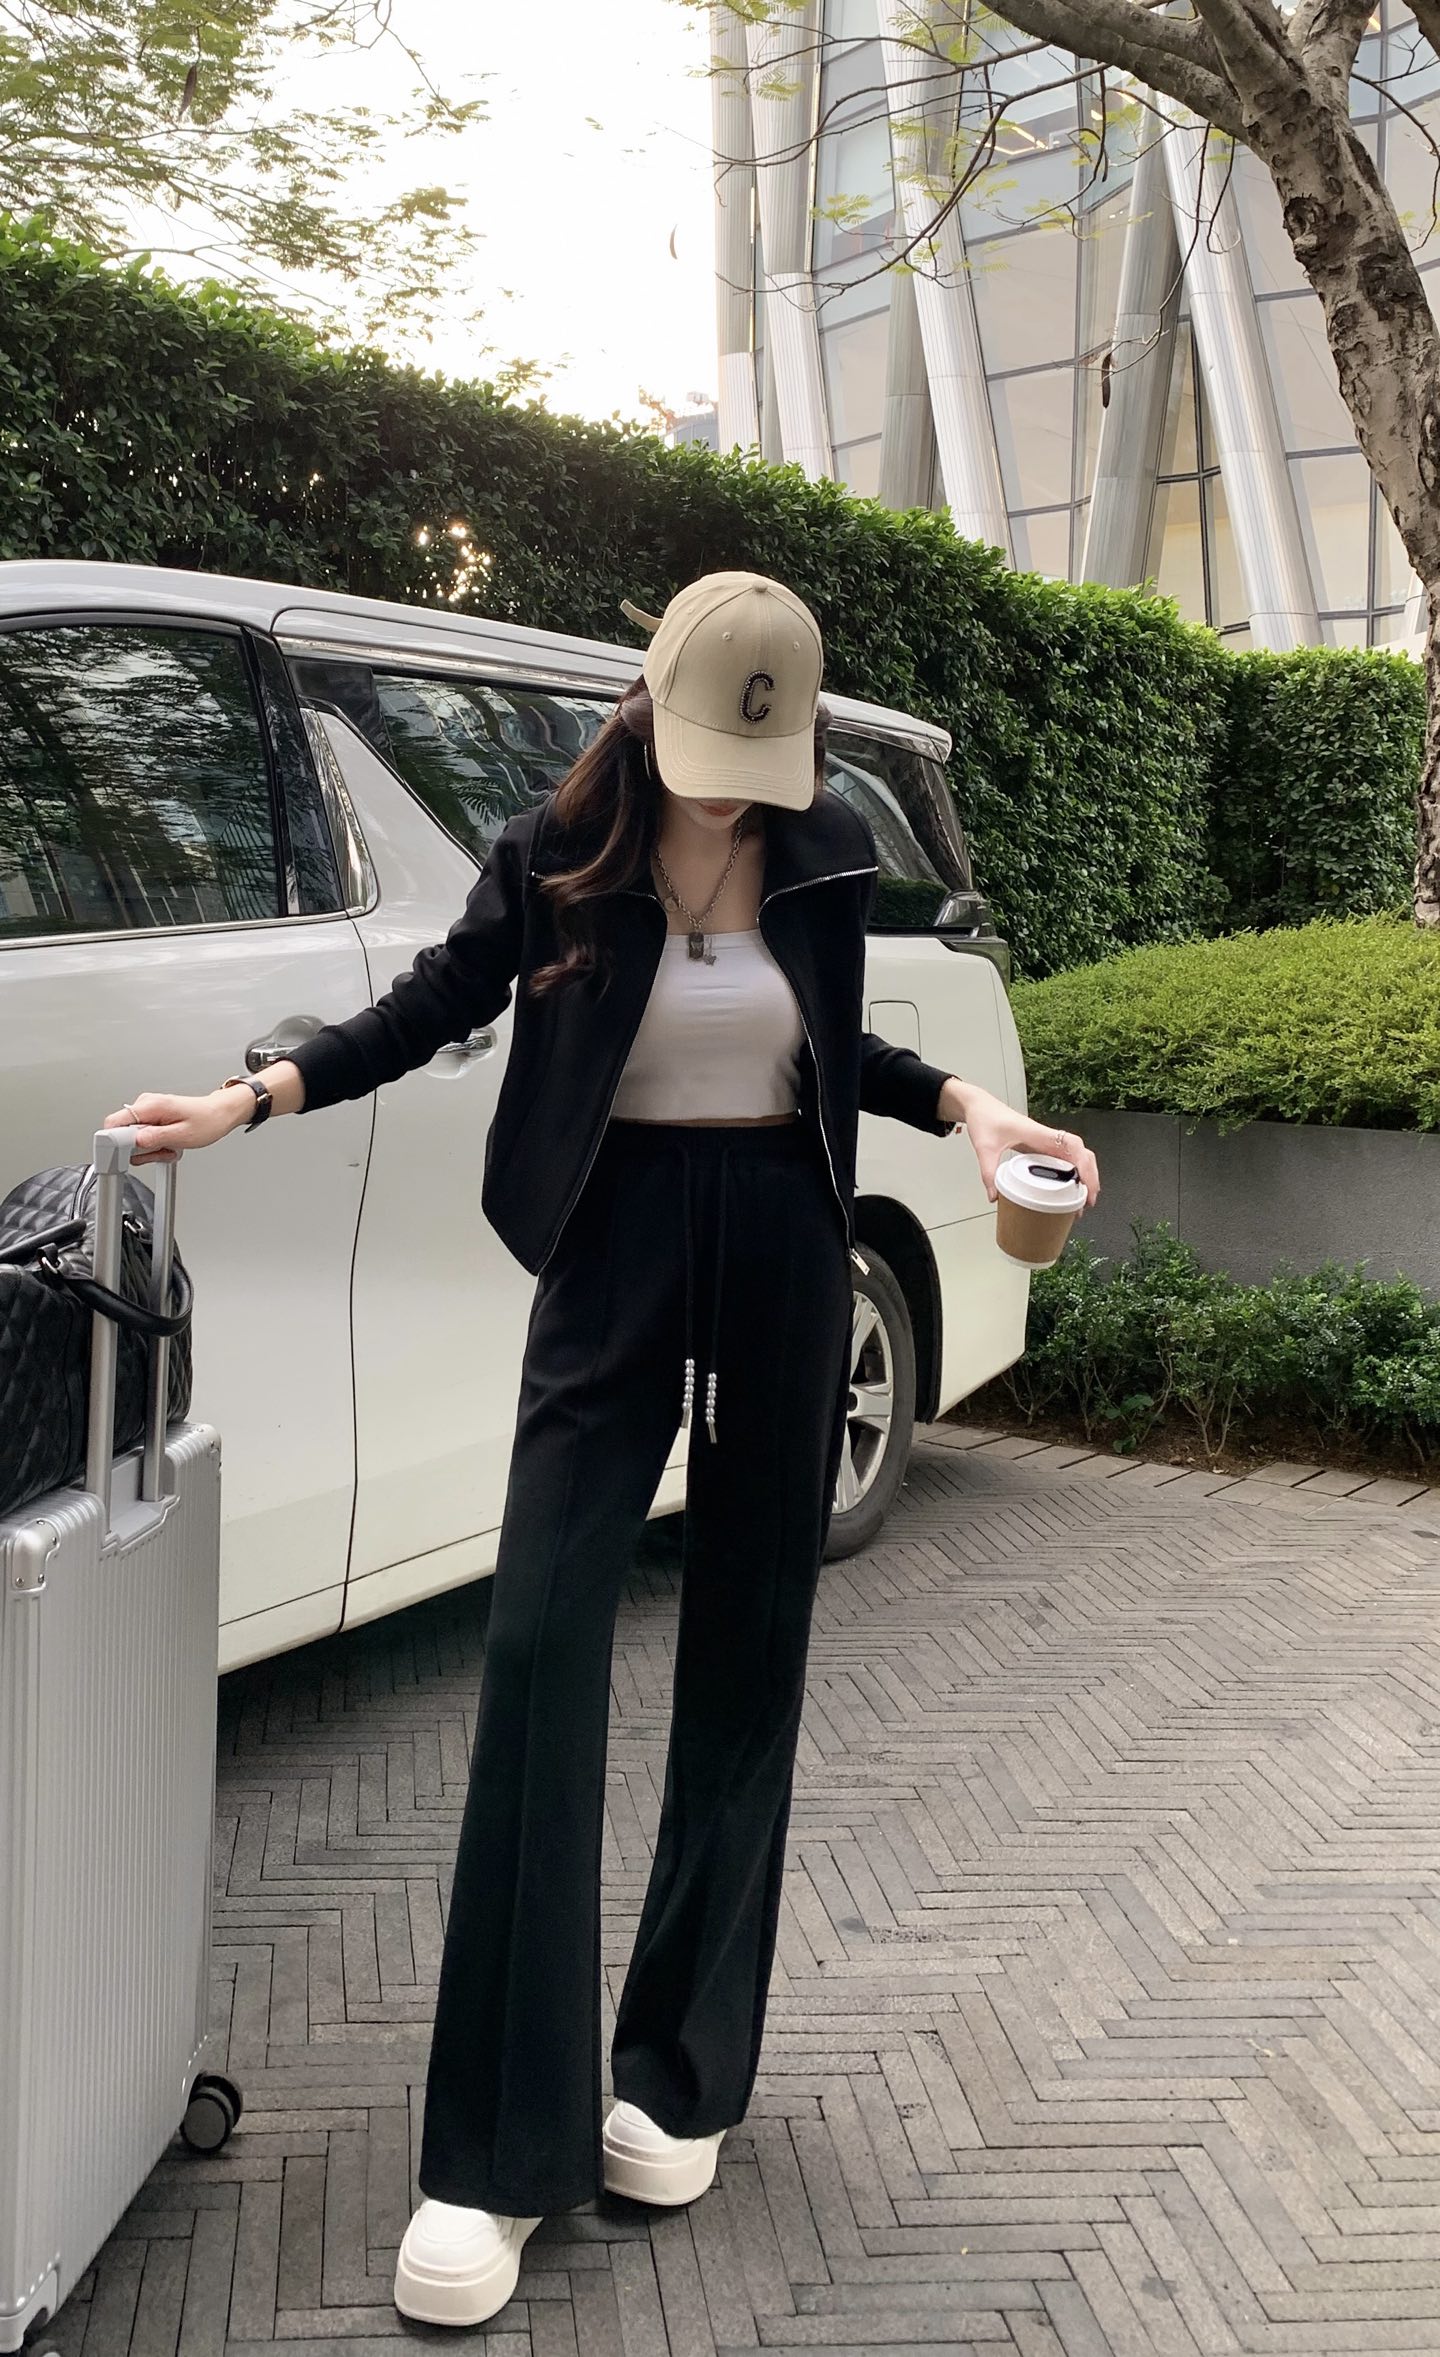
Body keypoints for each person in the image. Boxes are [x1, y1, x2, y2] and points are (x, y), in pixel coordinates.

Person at [105, 571, 1099, 2330]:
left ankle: (685, 2073)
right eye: (717, 758)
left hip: (781, 1238)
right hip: (614, 1233)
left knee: (750, 1647)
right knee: (541, 1642)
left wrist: (966, 1105)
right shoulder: (555, 848)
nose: (737, 795)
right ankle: (494, 2155)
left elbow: (836, 1046)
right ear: (651, 709)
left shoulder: (821, 847)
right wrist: (251, 1099)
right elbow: (431, 1000)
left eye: (765, 762)